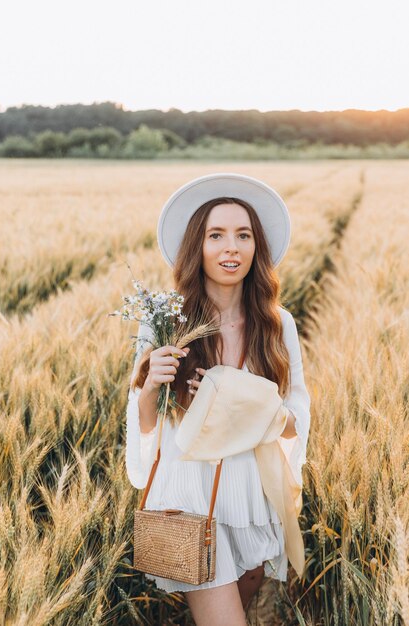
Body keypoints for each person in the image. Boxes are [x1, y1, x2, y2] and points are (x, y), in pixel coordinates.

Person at [126, 173, 311, 626]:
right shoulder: (164, 320)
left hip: (251, 496)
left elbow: (294, 421)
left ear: (256, 246)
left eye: (243, 235)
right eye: (217, 235)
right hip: (190, 494)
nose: (232, 247)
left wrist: (240, 396)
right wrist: (151, 385)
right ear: (198, 246)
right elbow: (145, 424)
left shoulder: (277, 323)